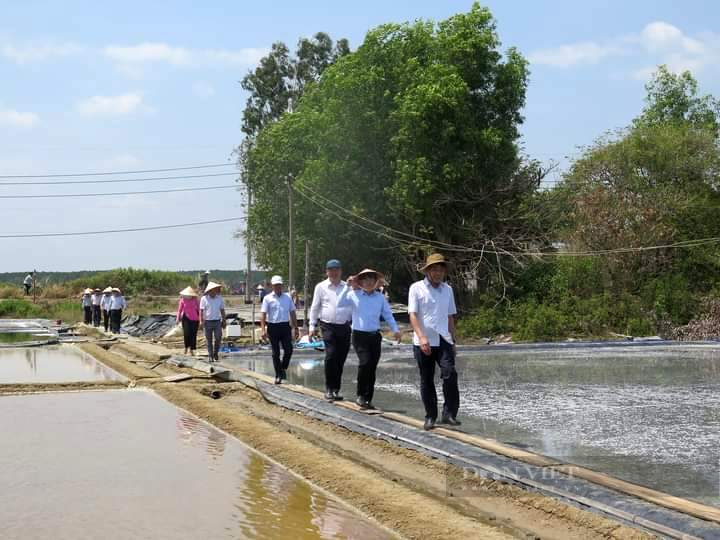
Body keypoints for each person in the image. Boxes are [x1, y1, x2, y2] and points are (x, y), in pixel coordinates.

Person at [408, 253, 460, 431]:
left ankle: (449, 413)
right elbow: (413, 315)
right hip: (424, 340)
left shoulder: (448, 290)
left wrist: (453, 340)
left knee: (450, 374)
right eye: (434, 269)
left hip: (444, 339)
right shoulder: (416, 288)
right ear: (428, 271)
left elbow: (450, 316)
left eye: (440, 270)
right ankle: (431, 415)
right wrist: (422, 337)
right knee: (427, 379)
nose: (438, 273)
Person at [337, 268, 401, 410]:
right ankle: (360, 395)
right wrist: (347, 286)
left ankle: (368, 398)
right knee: (365, 363)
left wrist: (396, 330)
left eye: (371, 279)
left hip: (374, 335)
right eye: (365, 279)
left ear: (375, 281)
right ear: (360, 282)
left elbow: (388, 315)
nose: (368, 282)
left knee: (372, 367)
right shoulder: (354, 294)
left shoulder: (380, 298)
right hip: (359, 335)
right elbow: (339, 303)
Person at [309, 259, 352, 401]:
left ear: (341, 271)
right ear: (327, 272)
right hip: (327, 325)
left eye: (336, 269)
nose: (334, 272)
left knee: (341, 357)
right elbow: (315, 307)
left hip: (344, 326)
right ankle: (328, 388)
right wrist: (312, 326)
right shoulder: (321, 287)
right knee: (331, 355)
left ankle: (336, 389)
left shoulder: (347, 287)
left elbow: (354, 305)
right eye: (331, 270)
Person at [260, 275, 299, 384]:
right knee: (275, 352)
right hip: (273, 327)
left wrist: (296, 328)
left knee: (289, 350)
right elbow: (263, 314)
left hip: (285, 326)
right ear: (272, 286)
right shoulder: (267, 298)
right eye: (276, 285)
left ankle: (283, 368)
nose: (278, 287)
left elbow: (292, 312)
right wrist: (263, 329)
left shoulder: (287, 297)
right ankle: (278, 374)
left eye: (279, 285)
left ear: (282, 285)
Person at [199, 282, 226, 362]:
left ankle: (215, 353)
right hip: (207, 321)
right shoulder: (204, 299)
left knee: (218, 337)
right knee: (209, 340)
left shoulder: (219, 298)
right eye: (213, 290)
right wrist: (201, 321)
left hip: (217, 321)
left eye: (216, 290)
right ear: (209, 291)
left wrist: (224, 320)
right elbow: (201, 311)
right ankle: (210, 355)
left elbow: (222, 310)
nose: (215, 291)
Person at [176, 286, 200, 356]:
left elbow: (199, 309)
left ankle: (191, 350)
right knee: (186, 333)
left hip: (195, 318)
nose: (187, 296)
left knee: (193, 334)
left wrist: (201, 318)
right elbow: (179, 310)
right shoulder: (182, 300)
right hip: (185, 318)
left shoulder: (195, 300)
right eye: (186, 295)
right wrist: (177, 318)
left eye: (189, 295)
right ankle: (186, 347)